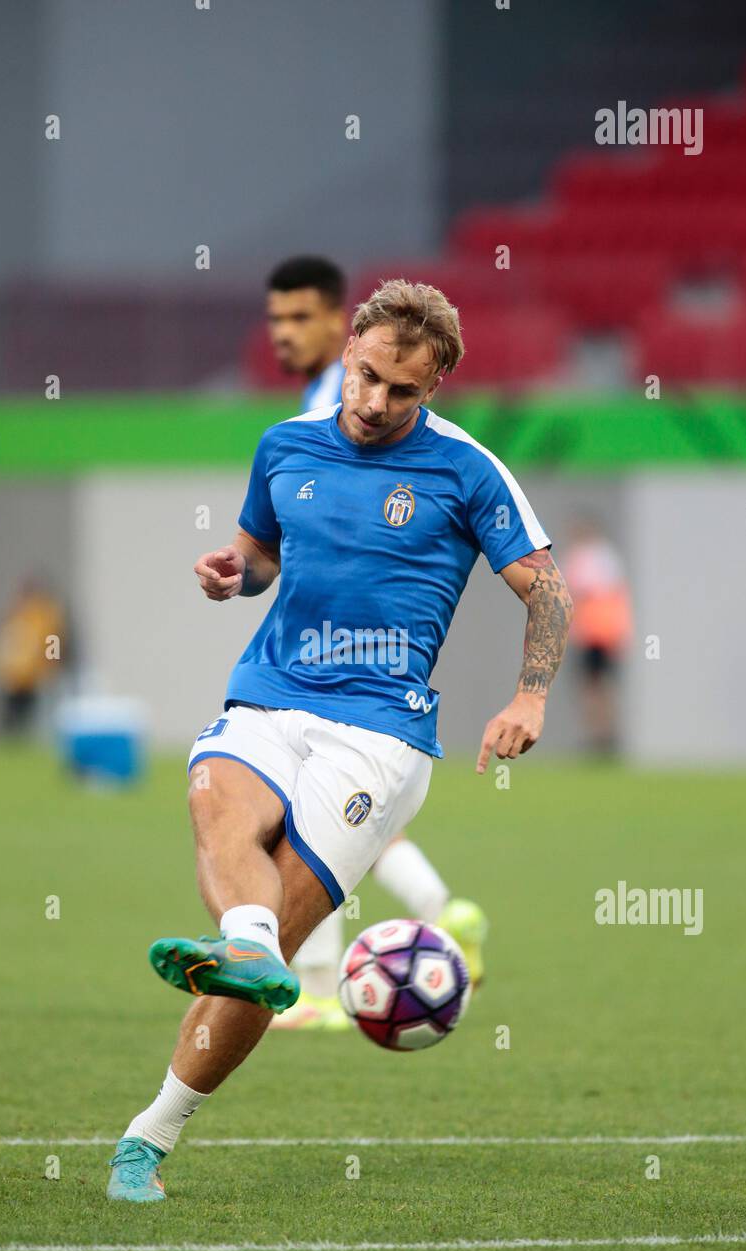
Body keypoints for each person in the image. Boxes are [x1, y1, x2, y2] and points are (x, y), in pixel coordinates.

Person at [107, 279, 573, 1202]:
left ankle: (149, 1136)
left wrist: (530, 696)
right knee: (215, 803)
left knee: (267, 951)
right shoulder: (284, 445)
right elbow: (264, 556)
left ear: (433, 384)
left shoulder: (467, 470)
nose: (373, 403)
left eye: (401, 391)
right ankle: (245, 945)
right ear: (349, 347)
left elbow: (549, 587)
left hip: (381, 736)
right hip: (271, 694)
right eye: (364, 377)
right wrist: (233, 576)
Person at [264, 255, 488, 1031]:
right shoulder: (314, 406)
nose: (283, 335)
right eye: (275, 319)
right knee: (344, 821)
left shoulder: (346, 397)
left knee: (306, 823)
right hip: (330, 659)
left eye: (299, 319)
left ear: (340, 324)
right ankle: (440, 910)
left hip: (346, 667)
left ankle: (321, 986)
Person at [564, 516, 632, 756]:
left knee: (598, 686)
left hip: (599, 634)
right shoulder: (596, 557)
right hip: (592, 633)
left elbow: (585, 592)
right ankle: (598, 736)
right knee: (592, 687)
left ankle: (604, 738)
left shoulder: (597, 558)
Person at [0, 578, 67, 733]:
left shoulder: (44, 615)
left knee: (31, 714)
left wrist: (51, 666)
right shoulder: (17, 613)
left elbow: (52, 640)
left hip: (33, 675)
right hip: (14, 674)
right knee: (11, 715)